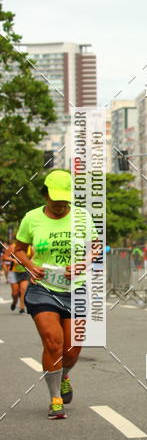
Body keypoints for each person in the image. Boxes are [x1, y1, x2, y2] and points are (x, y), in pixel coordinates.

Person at [13, 169, 92, 420]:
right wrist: (29, 265)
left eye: (64, 201)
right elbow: (19, 249)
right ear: (45, 195)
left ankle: (64, 374)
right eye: (55, 200)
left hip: (75, 289)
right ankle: (55, 398)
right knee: (52, 342)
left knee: (72, 350)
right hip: (42, 289)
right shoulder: (32, 218)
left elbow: (95, 247)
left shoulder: (82, 217)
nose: (59, 206)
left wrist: (83, 264)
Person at [6, 241, 31, 312]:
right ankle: (14, 301)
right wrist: (13, 260)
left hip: (25, 272)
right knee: (15, 293)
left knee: (23, 290)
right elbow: (4, 257)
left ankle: (22, 307)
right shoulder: (12, 247)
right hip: (14, 272)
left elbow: (33, 259)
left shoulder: (30, 248)